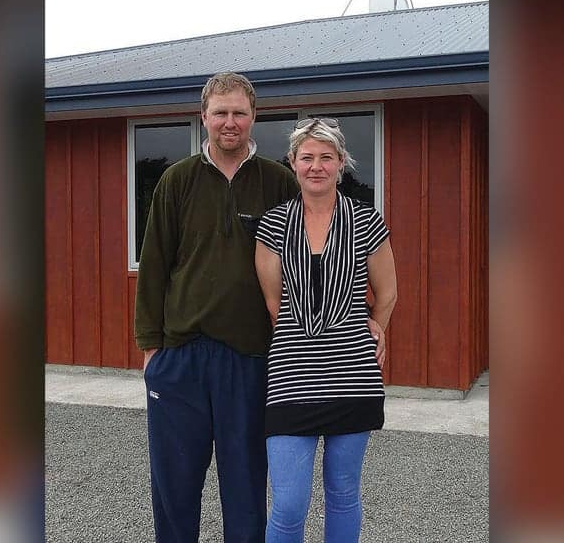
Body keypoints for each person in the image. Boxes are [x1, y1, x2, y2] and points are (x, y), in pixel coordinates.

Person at [135, 72, 386, 542]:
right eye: (220, 113)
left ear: (254, 117)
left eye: (239, 113)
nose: (229, 122)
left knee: (246, 485)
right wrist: (151, 349)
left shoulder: (278, 182)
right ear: (204, 117)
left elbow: (317, 252)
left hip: (251, 356)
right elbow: (153, 266)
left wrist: (364, 318)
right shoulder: (176, 180)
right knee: (174, 484)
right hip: (181, 356)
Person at [254, 117, 398, 543]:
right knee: (288, 503)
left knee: (343, 493)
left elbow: (388, 292)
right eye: (307, 157)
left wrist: (376, 326)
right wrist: (305, 336)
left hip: (352, 372)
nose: (316, 166)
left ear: (341, 162)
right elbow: (275, 303)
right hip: (291, 374)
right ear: (293, 162)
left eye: (326, 157)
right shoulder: (272, 225)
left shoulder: (367, 221)